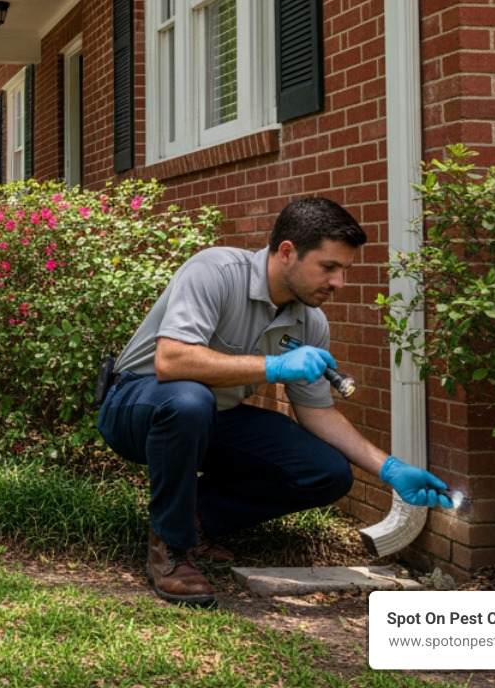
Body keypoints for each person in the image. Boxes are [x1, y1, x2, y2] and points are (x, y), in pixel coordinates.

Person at [97, 197, 452, 607]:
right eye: (329, 267)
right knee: (190, 399)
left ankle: (193, 517)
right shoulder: (215, 271)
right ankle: (170, 548)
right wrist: (275, 366)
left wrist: (390, 469)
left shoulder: (310, 322)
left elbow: (317, 412)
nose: (339, 282)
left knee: (326, 472)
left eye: (344, 270)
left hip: (212, 416)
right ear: (287, 252)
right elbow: (171, 360)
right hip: (138, 403)